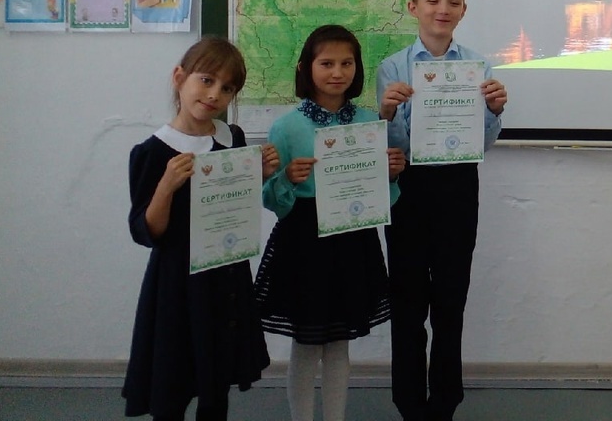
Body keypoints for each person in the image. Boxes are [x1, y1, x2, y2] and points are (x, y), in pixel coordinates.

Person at [252, 25, 405, 421]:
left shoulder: (370, 122)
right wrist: (288, 179)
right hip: (304, 242)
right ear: (306, 68)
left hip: (352, 241)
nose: (337, 72)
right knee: (306, 345)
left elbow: (382, 196)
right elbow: (271, 200)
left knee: (339, 344)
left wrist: (389, 174)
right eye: (326, 63)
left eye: (346, 63)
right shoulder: (286, 127)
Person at [123, 37, 279, 421]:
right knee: (172, 386)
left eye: (227, 88)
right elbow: (146, 232)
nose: (214, 95)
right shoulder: (152, 151)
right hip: (177, 284)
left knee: (216, 384)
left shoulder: (232, 138)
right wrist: (166, 186)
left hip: (225, 278)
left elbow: (235, 205)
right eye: (206, 80)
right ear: (180, 77)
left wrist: (259, 175)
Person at [377, 0, 509, 421]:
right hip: (408, 189)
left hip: (457, 187)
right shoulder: (392, 67)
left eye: (453, 2)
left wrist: (493, 111)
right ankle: (409, 403)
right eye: (433, 0)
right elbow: (392, 146)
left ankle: (445, 403)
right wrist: (386, 112)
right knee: (407, 302)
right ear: (414, 7)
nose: (442, 9)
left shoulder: (478, 67)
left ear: (464, 11)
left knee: (451, 302)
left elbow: (482, 143)